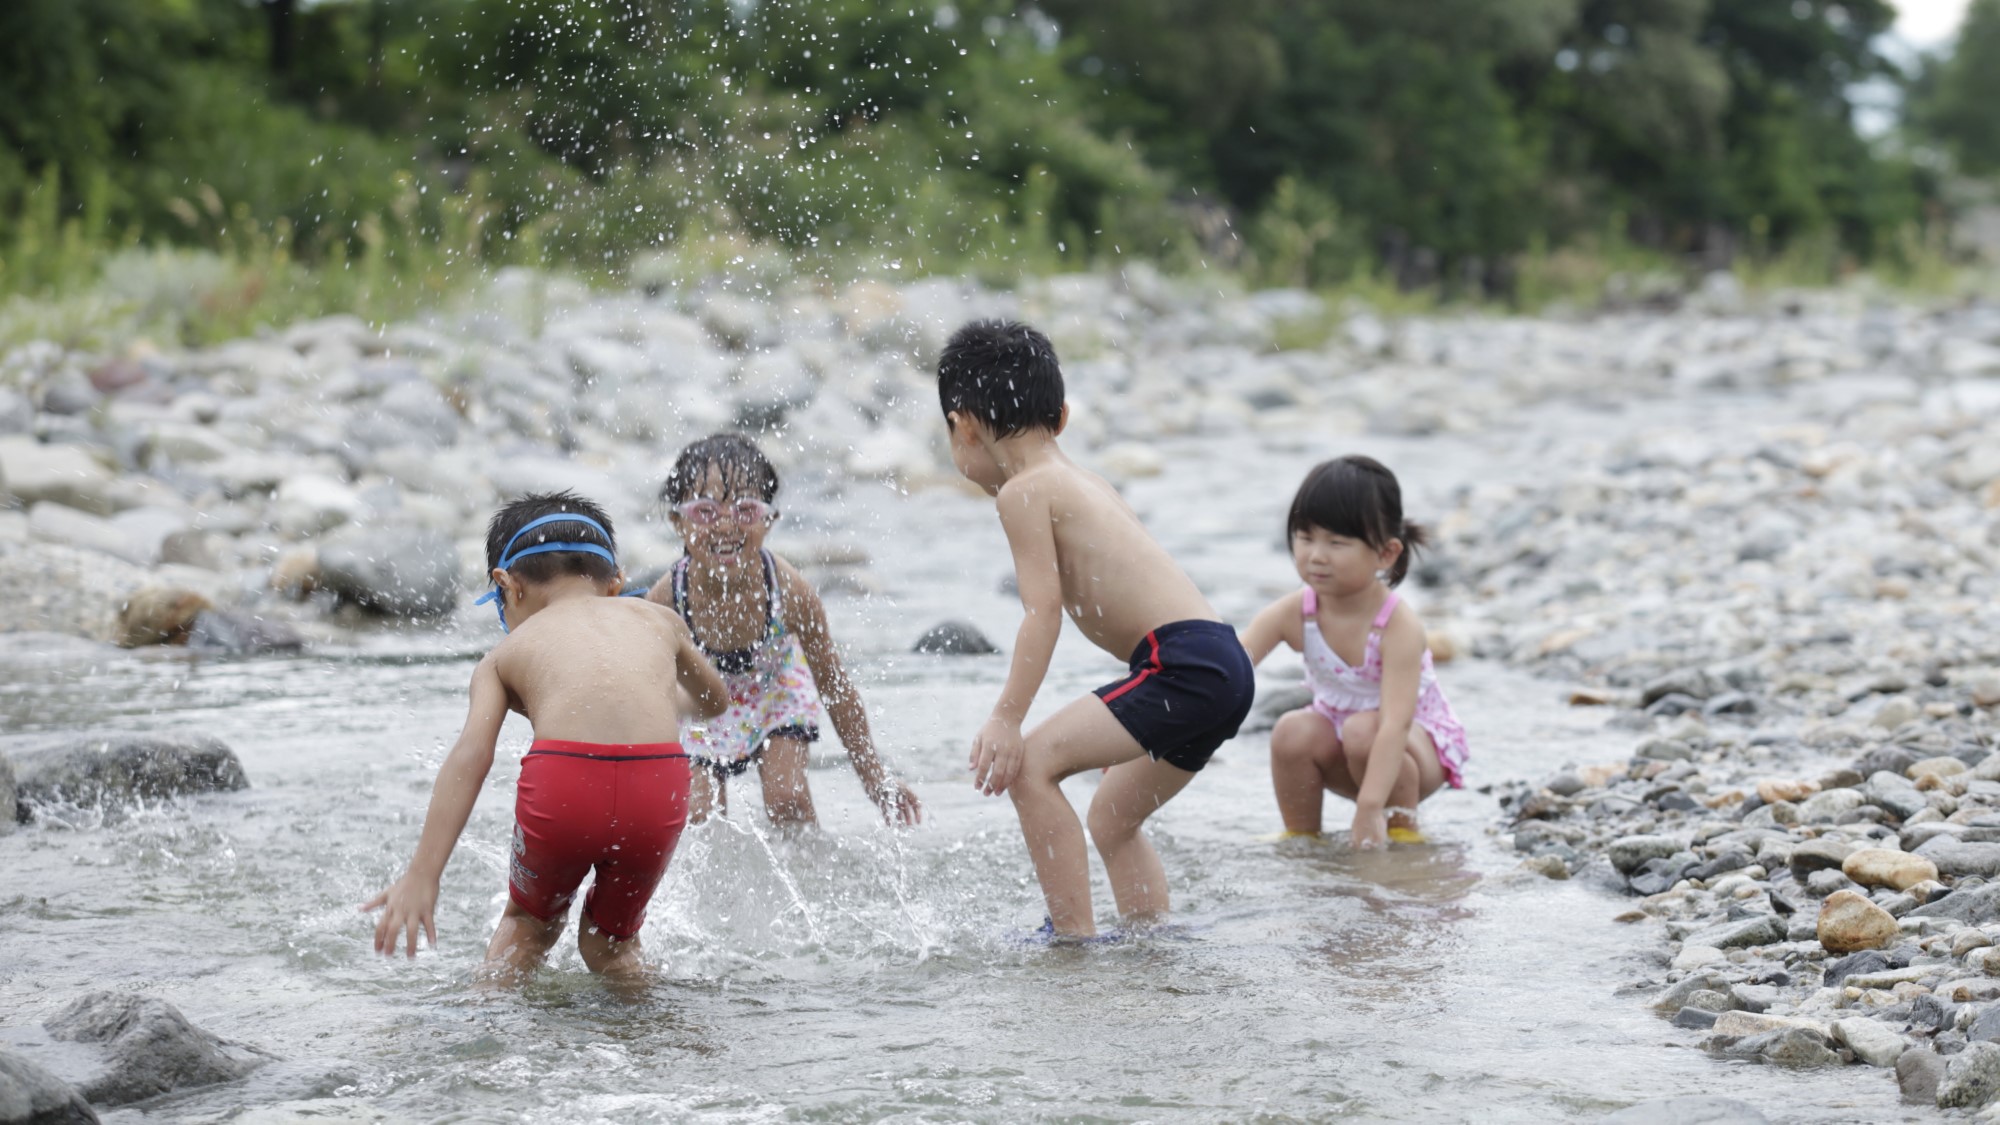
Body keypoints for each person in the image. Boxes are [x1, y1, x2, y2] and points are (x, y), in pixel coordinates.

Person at [938, 319, 1254, 939]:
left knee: (1030, 768)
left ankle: (1072, 942)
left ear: (963, 426)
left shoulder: (1023, 493)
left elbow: (1042, 612)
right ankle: (1152, 944)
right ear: (1061, 416)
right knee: (1112, 818)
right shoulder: (1086, 481)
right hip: (1222, 663)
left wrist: (1006, 718)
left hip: (1180, 665)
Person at [362, 491, 730, 987]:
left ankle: (488, 1029)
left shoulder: (504, 654)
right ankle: (661, 1043)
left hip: (566, 785)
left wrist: (423, 875)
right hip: (659, 782)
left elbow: (471, 757)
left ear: (507, 586)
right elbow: (715, 702)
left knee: (527, 927)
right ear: (615, 584)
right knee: (612, 945)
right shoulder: (659, 620)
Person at [648, 433, 921, 828]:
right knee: (700, 818)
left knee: (786, 798)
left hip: (775, 691)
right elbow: (643, 693)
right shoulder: (667, 600)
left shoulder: (790, 592)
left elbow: (835, 687)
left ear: (770, 519)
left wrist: (874, 778)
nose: (726, 525)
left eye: (746, 510)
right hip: (702, 702)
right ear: (677, 521)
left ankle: (811, 880)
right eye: (705, 511)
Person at [1238, 456, 1470, 848]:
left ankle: (1401, 833)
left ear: (1386, 554)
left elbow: (1395, 724)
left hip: (1414, 751)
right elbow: (1226, 670)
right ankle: (1302, 839)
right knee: (1291, 730)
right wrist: (1153, 734)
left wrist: (1368, 807)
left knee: (1366, 727)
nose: (1316, 555)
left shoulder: (1398, 625)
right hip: (1343, 748)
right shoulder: (1295, 612)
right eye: (1305, 537)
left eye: (1337, 543)